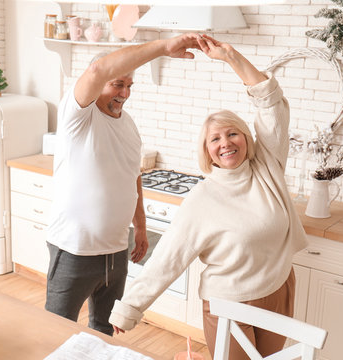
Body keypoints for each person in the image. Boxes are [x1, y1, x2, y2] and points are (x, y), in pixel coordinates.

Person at [109, 34, 309, 358]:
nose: (225, 142)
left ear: (246, 138)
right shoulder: (203, 200)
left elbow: (271, 105)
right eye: (215, 139)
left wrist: (232, 57)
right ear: (207, 152)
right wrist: (128, 309)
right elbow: (166, 261)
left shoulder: (267, 168)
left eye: (232, 133)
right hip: (229, 304)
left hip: (279, 289)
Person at [45, 33, 202, 336]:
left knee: (105, 331)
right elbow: (96, 70)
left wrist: (140, 227)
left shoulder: (128, 124)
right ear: (100, 82)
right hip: (74, 249)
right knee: (56, 330)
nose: (125, 93)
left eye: (129, 85)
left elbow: (134, 177)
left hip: (117, 251)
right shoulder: (78, 117)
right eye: (118, 84)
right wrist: (161, 47)